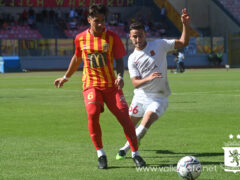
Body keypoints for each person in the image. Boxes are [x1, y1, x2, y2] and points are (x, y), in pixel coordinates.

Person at [54, 4, 146, 169]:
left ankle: (135, 154)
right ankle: (101, 154)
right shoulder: (80, 38)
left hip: (111, 86)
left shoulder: (112, 37)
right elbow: (76, 58)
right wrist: (66, 76)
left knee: (125, 119)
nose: (101, 24)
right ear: (89, 20)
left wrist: (120, 76)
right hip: (91, 85)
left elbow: (119, 60)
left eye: (103, 20)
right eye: (97, 21)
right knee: (93, 113)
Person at [116, 9, 190, 159]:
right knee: (129, 126)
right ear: (130, 38)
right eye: (134, 36)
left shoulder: (160, 45)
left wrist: (185, 25)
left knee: (145, 124)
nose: (138, 39)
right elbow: (136, 83)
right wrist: (149, 78)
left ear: (146, 34)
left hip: (159, 98)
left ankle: (124, 149)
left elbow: (183, 42)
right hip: (140, 97)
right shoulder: (132, 59)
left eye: (140, 35)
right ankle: (134, 141)